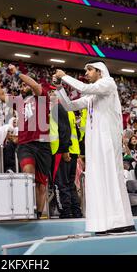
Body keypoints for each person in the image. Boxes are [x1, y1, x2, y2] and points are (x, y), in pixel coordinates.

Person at [54, 61, 136, 235]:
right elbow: (69, 106)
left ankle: (121, 221)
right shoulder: (93, 96)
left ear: (100, 71)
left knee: (111, 177)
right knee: (99, 180)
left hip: (107, 141)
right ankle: (103, 223)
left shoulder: (108, 83)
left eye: (89, 69)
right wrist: (58, 87)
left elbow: (84, 88)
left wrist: (64, 76)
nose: (87, 72)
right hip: (95, 144)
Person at [0, 64, 52, 219]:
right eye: (23, 85)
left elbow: (34, 85)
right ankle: (27, 211)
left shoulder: (42, 96)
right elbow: (0, 94)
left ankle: (37, 215)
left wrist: (18, 73)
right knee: (28, 174)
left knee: (41, 185)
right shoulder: (19, 101)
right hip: (25, 144)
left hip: (43, 144)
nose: (24, 86)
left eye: (26, 84)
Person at [49, 90, 82, 218]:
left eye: (52, 92)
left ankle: (65, 212)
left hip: (61, 151)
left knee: (60, 184)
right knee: (70, 184)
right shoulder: (69, 110)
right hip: (72, 150)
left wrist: (64, 149)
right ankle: (76, 211)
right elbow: (77, 133)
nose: (49, 95)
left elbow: (64, 130)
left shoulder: (57, 108)